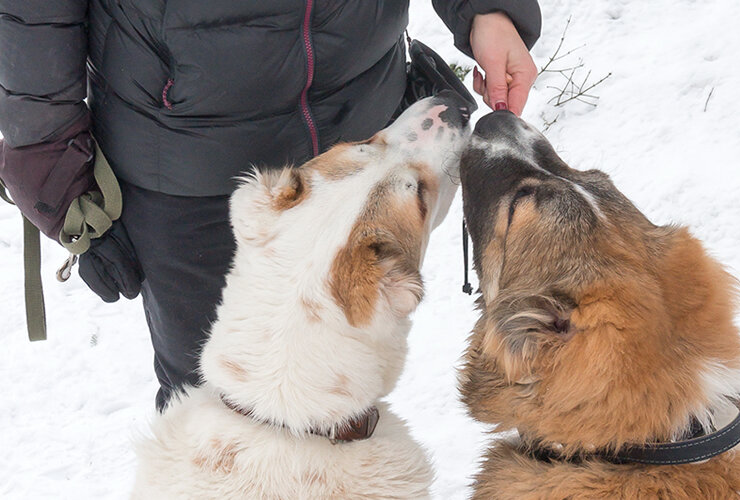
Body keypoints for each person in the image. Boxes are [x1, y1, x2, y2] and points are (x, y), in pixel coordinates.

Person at [0, 1, 541, 410]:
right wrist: (51, 163)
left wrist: (487, 9)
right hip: (186, 165)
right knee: (216, 409)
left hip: (364, 127)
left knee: (344, 392)